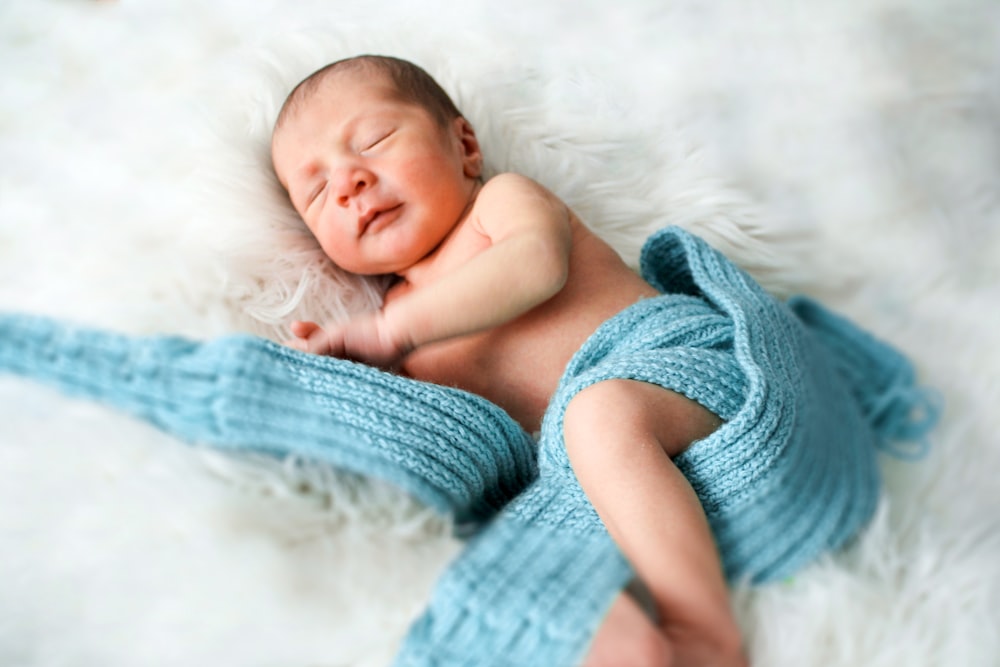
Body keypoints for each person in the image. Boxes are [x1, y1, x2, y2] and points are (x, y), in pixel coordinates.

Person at [270, 54, 748, 667]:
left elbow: (537, 266)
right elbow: (443, 431)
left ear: (464, 144)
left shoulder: (500, 205)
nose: (348, 183)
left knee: (597, 417)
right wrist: (345, 371)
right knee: (527, 569)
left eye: (374, 141)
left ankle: (705, 635)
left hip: (681, 370)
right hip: (596, 472)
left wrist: (392, 331)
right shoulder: (396, 327)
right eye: (315, 191)